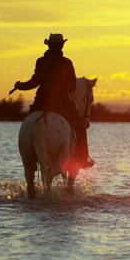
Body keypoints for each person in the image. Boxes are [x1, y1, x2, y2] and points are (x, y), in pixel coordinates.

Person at [13, 33, 94, 169]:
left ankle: (30, 160)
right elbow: (72, 87)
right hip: (61, 103)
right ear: (62, 45)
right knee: (80, 124)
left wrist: (20, 85)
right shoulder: (67, 63)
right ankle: (83, 158)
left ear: (49, 46)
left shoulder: (41, 61)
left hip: (41, 102)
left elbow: (34, 82)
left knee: (30, 123)